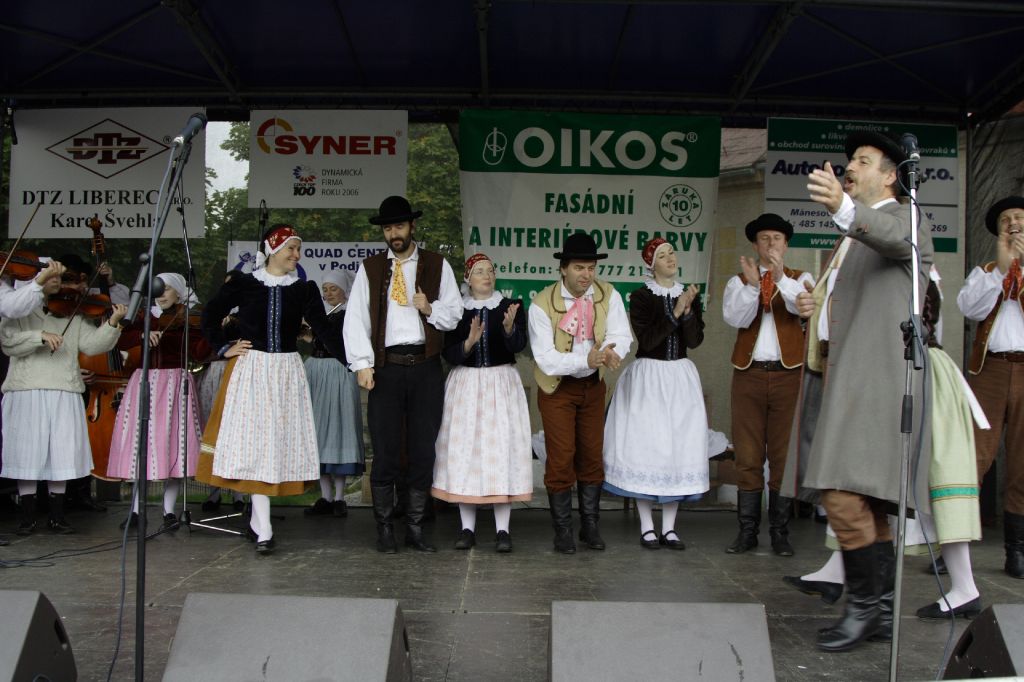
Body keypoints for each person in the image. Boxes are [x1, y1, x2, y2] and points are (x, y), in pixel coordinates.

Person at [788, 130, 934, 652]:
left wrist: (844, 208)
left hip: (877, 379)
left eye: (863, 160)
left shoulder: (905, 217)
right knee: (866, 499)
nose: (851, 165)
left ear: (891, 176)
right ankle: (882, 613)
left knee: (842, 491)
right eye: (850, 158)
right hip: (846, 375)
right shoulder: (853, 233)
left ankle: (864, 608)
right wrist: (817, 307)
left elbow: (893, 238)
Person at [785, 268, 985, 622]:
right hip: (895, 371)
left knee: (934, 477)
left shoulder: (907, 267)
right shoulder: (883, 269)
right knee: (875, 478)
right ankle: (836, 571)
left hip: (914, 374)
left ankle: (965, 587)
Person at [199, 224, 345, 555]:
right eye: (291, 248)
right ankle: (264, 527)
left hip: (286, 371)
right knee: (255, 445)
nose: (297, 254)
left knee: (273, 445)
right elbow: (209, 315)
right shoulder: (245, 284)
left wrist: (355, 364)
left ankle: (258, 521)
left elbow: (324, 330)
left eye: (298, 249)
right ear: (273, 249)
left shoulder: (303, 290)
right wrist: (224, 347)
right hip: (252, 369)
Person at [344, 195, 463, 554]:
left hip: (425, 366)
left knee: (423, 449)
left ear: (412, 226)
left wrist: (430, 308)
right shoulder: (371, 268)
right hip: (386, 368)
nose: (393, 234)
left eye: (398, 226)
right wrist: (362, 363)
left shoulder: (437, 264)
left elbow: (454, 314)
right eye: (388, 228)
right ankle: (384, 529)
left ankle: (415, 528)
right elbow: (356, 319)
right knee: (385, 449)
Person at [528, 232, 633, 554]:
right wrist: (585, 360)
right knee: (561, 459)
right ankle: (563, 531)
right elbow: (546, 359)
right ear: (563, 268)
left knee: (591, 455)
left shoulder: (607, 294)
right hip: (557, 387)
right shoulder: (541, 304)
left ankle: (590, 527)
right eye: (579, 268)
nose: (586, 275)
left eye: (591, 268)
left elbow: (621, 334)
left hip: (592, 386)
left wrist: (612, 351)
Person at [1, 266, 126, 535]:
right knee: (27, 452)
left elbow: (92, 345)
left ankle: (57, 517)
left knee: (62, 453)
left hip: (64, 390)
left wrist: (113, 322)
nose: (57, 282)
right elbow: (8, 343)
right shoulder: (19, 311)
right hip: (27, 390)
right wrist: (38, 336)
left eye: (60, 278)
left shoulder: (73, 313)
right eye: (52, 277)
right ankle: (27, 518)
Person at [603, 238, 706, 550]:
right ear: (651, 264)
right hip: (649, 377)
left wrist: (687, 312)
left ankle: (670, 528)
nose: (670, 258)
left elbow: (695, 340)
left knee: (677, 449)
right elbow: (647, 341)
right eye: (663, 255)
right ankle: (647, 526)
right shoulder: (641, 297)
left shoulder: (689, 293)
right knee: (645, 448)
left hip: (680, 378)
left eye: (672, 252)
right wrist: (675, 311)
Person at [722, 213, 814, 557]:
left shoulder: (801, 278)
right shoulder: (738, 281)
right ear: (755, 244)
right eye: (764, 238)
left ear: (786, 244)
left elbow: (802, 309)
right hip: (748, 374)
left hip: (788, 375)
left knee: (782, 455)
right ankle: (746, 532)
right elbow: (735, 317)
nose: (771, 243)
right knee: (747, 456)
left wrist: (779, 278)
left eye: (777, 238)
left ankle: (779, 532)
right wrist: (752, 286)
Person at [432, 253, 531, 552]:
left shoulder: (510, 307)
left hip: (501, 384)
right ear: (468, 278)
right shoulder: (457, 311)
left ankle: (503, 530)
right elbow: (448, 353)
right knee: (466, 452)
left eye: (490, 271)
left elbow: (519, 346)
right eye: (479, 271)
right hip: (466, 385)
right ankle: (467, 529)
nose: (486, 276)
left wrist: (510, 330)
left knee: (501, 452)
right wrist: (468, 343)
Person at [106, 273, 211, 532]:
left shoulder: (188, 319)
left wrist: (212, 331)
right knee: (141, 446)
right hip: (145, 383)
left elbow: (199, 353)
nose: (162, 295)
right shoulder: (144, 317)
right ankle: (135, 511)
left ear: (179, 292)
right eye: (158, 290)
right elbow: (121, 339)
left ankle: (169, 511)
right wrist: (142, 336)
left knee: (175, 446)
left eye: (167, 290)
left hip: (176, 384)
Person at [957, 195, 1024, 581]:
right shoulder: (983, 272)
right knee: (974, 457)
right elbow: (970, 309)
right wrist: (1001, 270)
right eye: (1005, 220)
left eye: (1018, 217)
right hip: (990, 370)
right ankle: (956, 546)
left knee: (1022, 464)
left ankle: (1016, 550)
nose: (1013, 223)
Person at [303, 269, 364, 518]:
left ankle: (339, 497)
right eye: (325, 289)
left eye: (333, 289)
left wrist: (315, 335)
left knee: (339, 428)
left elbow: (339, 342)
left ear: (344, 290)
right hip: (317, 371)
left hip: (338, 370)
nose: (328, 294)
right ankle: (325, 496)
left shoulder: (348, 314)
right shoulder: (326, 315)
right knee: (317, 431)